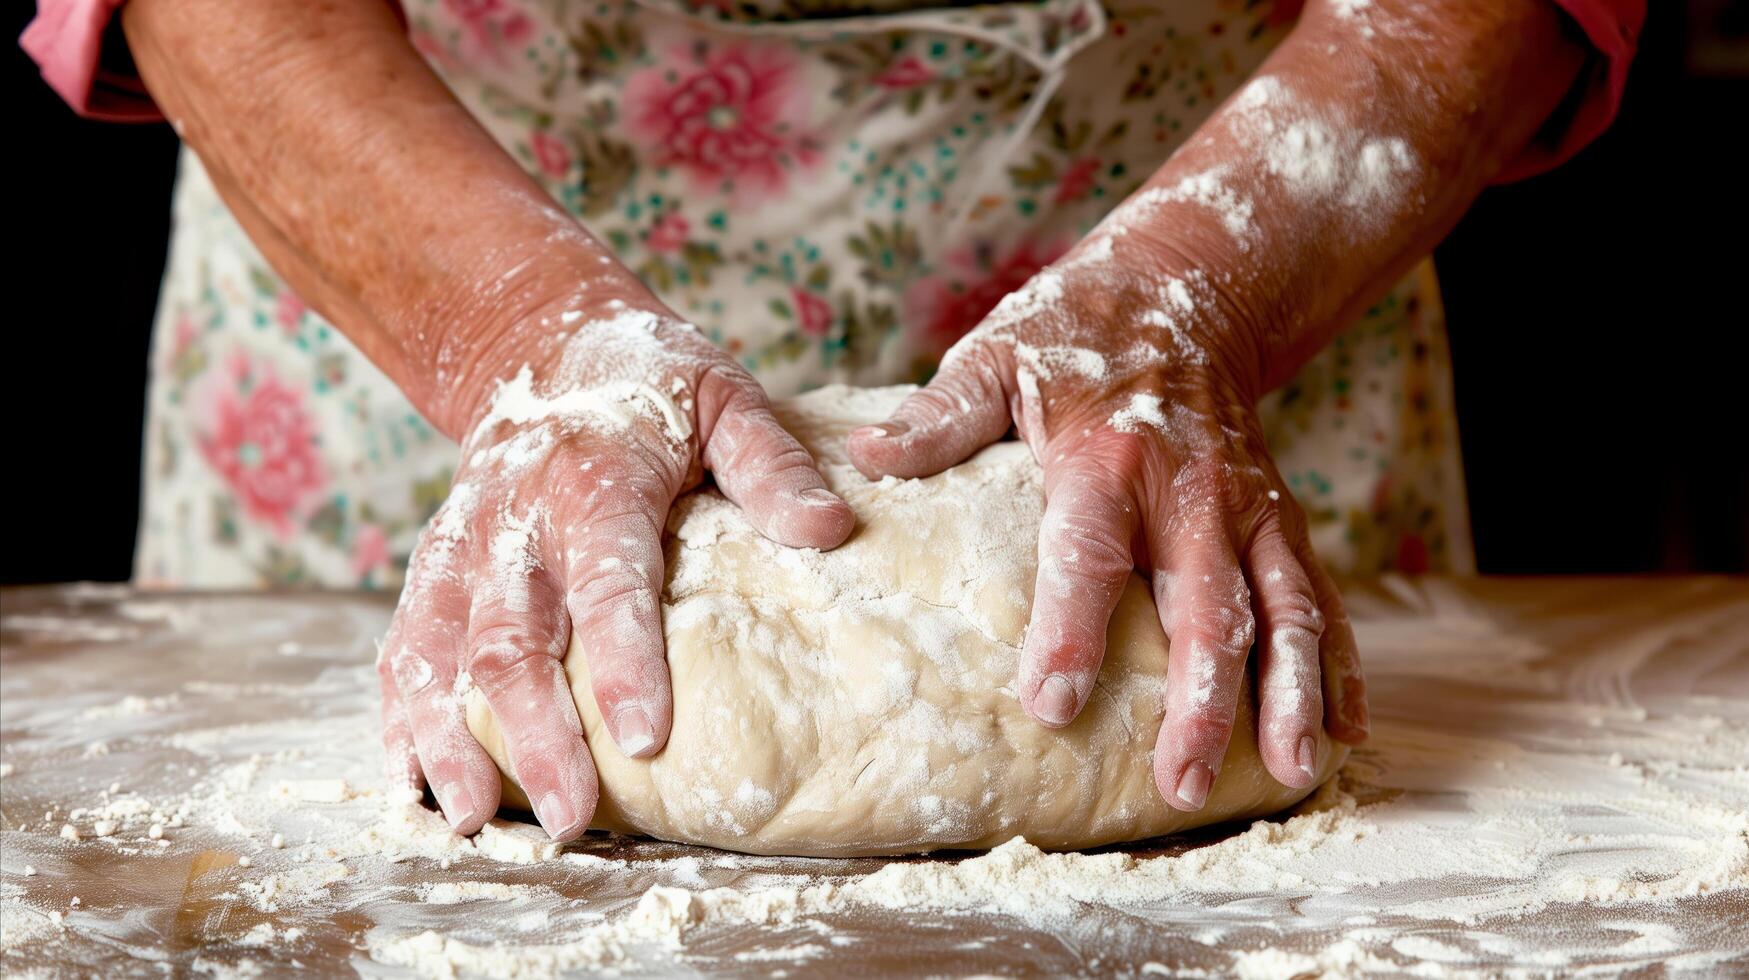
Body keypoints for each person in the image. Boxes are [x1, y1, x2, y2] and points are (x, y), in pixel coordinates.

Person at [25, 0, 1642, 841]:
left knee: (1221, 720)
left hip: (1221, 273)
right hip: (437, 276)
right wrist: (526, 344)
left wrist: (1194, 299)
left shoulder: (1209, 305)